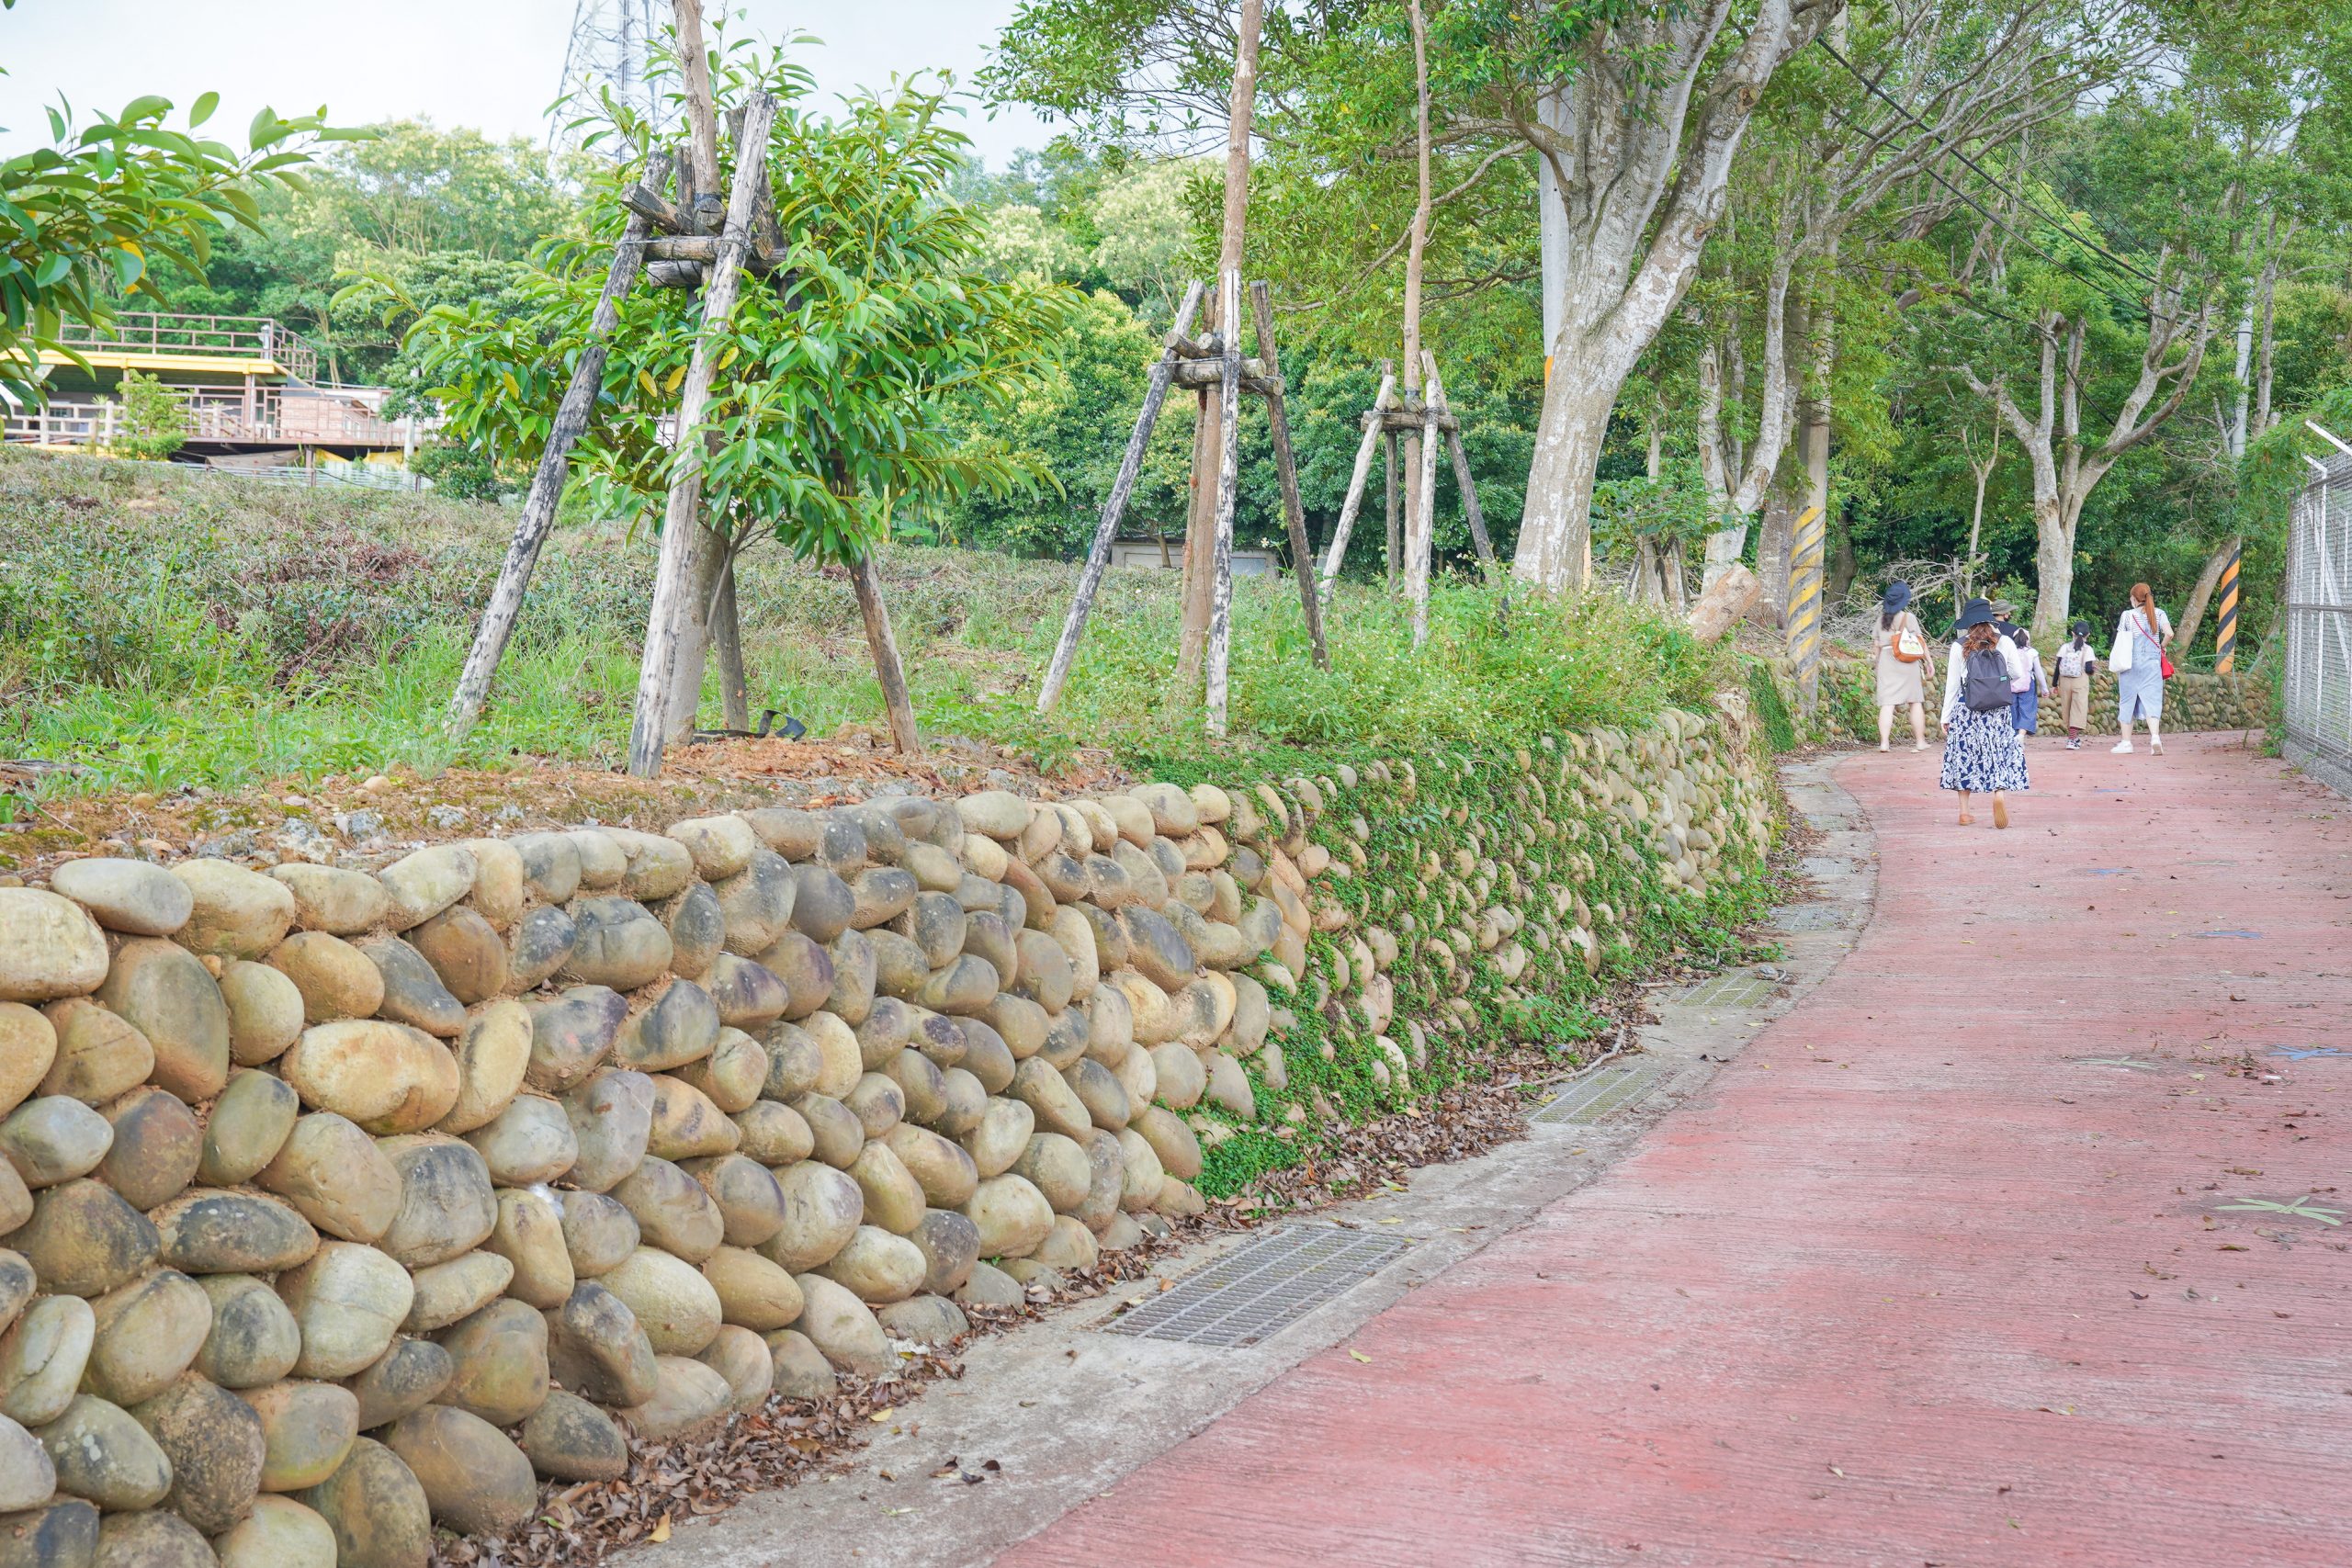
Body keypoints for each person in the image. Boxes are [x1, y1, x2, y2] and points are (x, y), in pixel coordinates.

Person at [1939, 597, 2030, 827]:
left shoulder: (1959, 645)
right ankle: (1998, 792)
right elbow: (2018, 673)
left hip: (1966, 707)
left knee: (1964, 756)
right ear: (1990, 618)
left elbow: (1952, 684)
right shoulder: (2006, 642)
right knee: (1997, 751)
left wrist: (1945, 716)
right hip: (1998, 708)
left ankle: (1964, 812)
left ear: (1968, 622)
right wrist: (1999, 681)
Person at [2109, 581, 2174, 755]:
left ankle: (2126, 743)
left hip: (2130, 664)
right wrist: (2161, 646)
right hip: (2152, 665)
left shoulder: (2127, 615)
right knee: (2152, 701)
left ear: (2133, 598)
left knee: (2127, 701)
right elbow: (2169, 633)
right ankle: (2155, 738)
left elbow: (2122, 639)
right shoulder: (2159, 613)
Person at [1872, 580, 1933, 752]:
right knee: (1915, 702)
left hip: (1886, 661)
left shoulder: (1880, 620)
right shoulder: (1909, 618)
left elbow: (1876, 645)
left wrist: (1877, 666)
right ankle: (1920, 742)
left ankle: (1884, 743)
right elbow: (1921, 642)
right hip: (1907, 661)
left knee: (1887, 703)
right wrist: (1929, 661)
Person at [2052, 620, 2098, 749]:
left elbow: (2057, 667)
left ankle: (2074, 737)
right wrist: (2093, 671)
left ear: (2072, 633)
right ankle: (2072, 740)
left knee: (2067, 708)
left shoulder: (2065, 647)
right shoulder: (2088, 649)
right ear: (2087, 635)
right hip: (2080, 681)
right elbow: (2088, 669)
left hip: (2065, 681)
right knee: (2078, 709)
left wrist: (2054, 684)